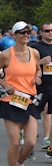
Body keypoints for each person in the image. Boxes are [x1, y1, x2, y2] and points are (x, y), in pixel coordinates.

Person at [0, 21, 42, 166]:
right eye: (22, 33)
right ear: (14, 35)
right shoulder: (6, 55)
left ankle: (19, 164)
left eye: (28, 32)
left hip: (29, 101)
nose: (26, 35)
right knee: (15, 142)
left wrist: (38, 77)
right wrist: (5, 84)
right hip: (10, 102)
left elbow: (38, 70)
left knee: (31, 143)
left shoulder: (34, 53)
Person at [30, 22, 52, 152]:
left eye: (51, 30)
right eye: (47, 30)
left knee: (49, 113)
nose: (50, 33)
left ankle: (48, 142)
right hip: (40, 87)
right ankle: (29, 141)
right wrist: (40, 62)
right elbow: (28, 64)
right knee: (34, 114)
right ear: (42, 33)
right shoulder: (36, 47)